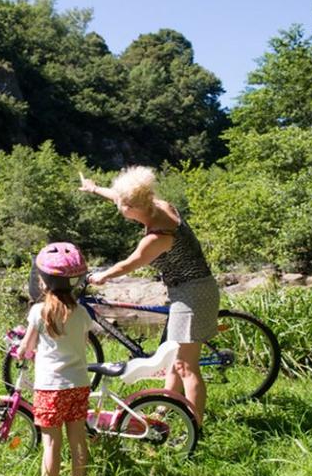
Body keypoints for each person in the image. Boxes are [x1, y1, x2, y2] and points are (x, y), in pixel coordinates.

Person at [79, 166, 219, 425]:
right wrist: (94, 188)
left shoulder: (157, 237)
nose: (119, 208)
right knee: (174, 357)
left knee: (187, 367)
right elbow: (121, 195)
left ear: (131, 208)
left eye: (122, 205)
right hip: (189, 290)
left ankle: (195, 426)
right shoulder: (158, 204)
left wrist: (102, 276)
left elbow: (129, 264)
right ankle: (164, 410)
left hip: (193, 295)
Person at [16, 242, 93, 476]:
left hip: (49, 389)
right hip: (79, 384)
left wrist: (22, 352)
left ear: (42, 280)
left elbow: (26, 347)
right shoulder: (82, 313)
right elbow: (83, 344)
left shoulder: (39, 312)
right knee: (78, 440)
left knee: (51, 444)